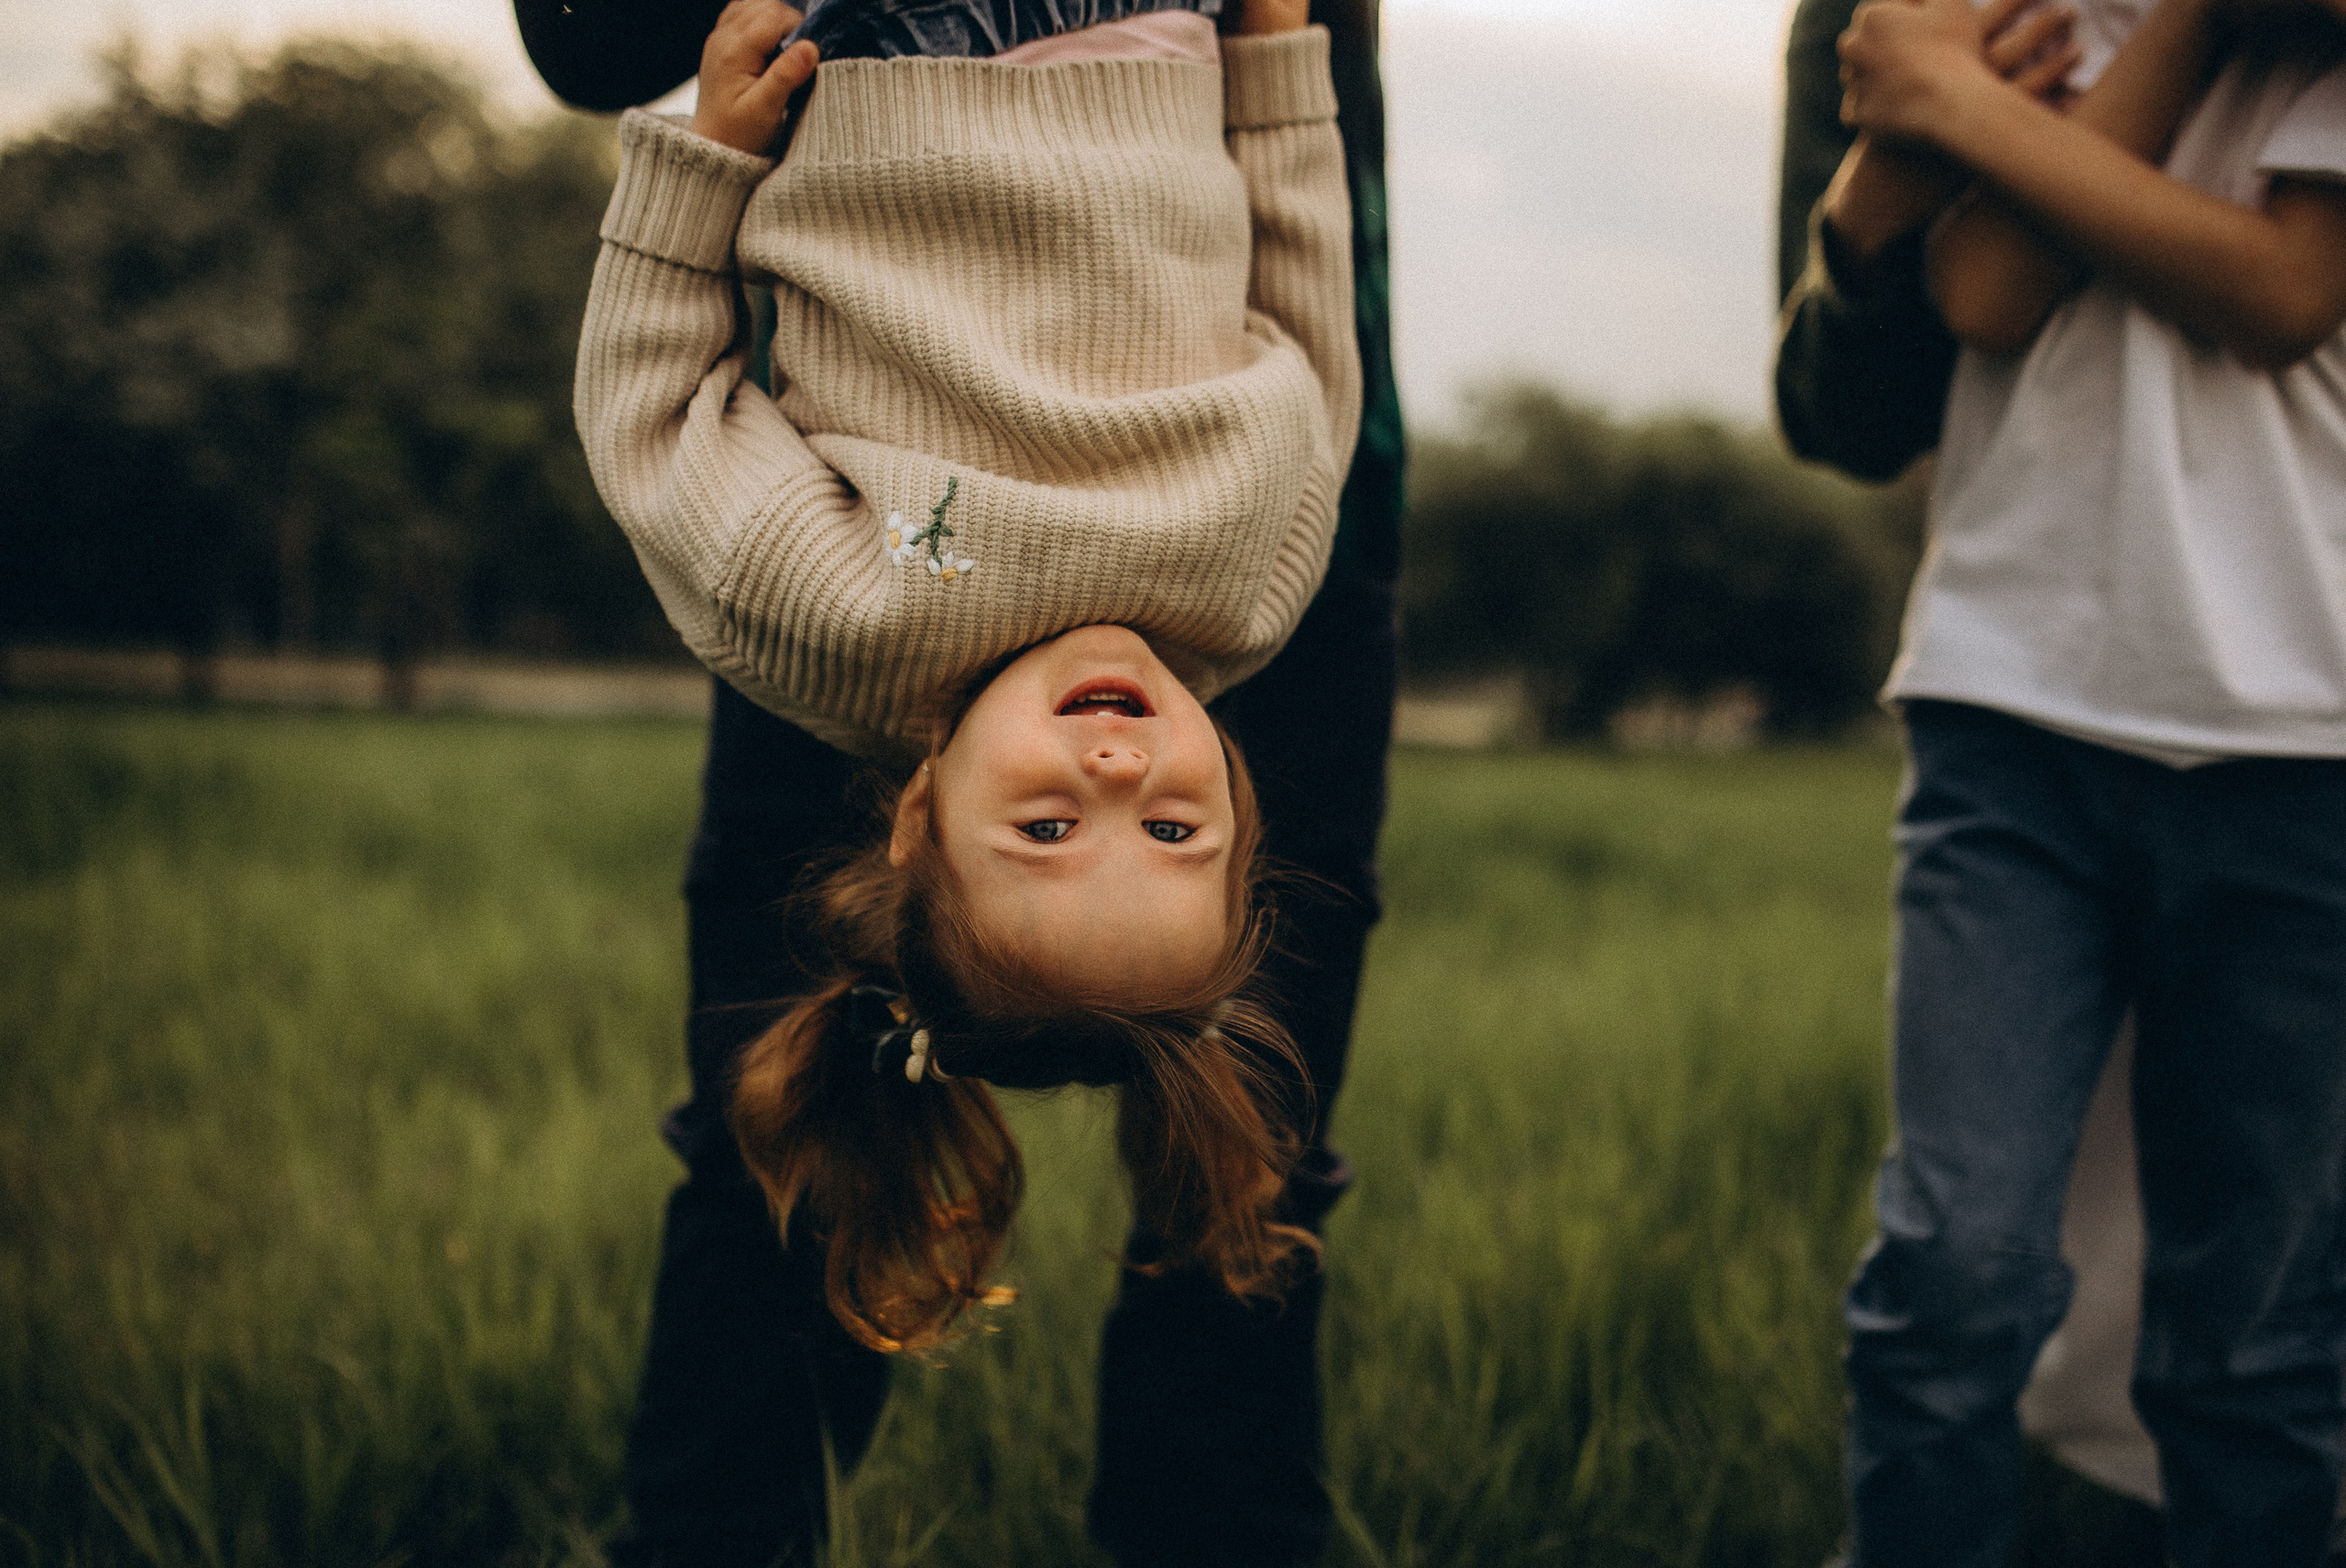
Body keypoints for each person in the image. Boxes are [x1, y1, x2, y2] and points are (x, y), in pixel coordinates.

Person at [514, 0, 1406, 1558]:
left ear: (917, 812)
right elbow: (1312, 306)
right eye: (1176, 822)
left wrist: (704, 167)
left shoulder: (842, 616)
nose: (1120, 759)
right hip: (1153, 40)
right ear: (1242, 803)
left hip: (890, 44)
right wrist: (1274, 52)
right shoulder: (1257, 592)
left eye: (1053, 823)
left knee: (754, 1190)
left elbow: (653, 416)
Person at [1814, 0, 2346, 1561]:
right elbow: (1981, 289)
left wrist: (1953, 111)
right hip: (2014, 718)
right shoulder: (2049, 25)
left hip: (2302, 749)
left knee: (2254, 1338)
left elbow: (2283, 293)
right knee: (1951, 1274)